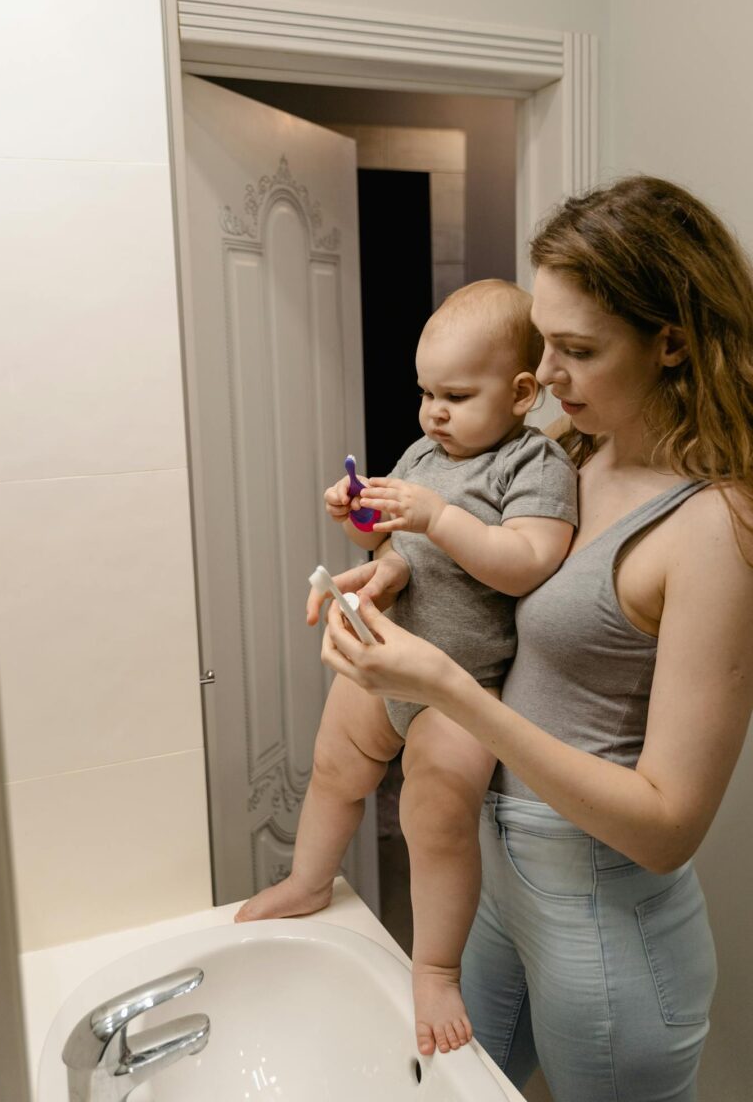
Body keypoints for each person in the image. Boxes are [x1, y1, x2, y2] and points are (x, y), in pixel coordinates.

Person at [316, 175, 753, 1102]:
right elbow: (484, 575)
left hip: (605, 933)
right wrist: (393, 569)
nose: (545, 376)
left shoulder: (716, 528)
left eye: (578, 349)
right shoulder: (570, 454)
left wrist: (451, 692)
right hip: (500, 898)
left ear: (671, 341)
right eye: (544, 342)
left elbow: (670, 827)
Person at [236, 279, 579, 1057]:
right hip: (388, 662)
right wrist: (359, 518)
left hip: (460, 691)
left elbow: (526, 562)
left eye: (456, 395)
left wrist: (436, 515)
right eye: (426, 393)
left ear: (523, 392)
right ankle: (310, 879)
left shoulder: (535, 464)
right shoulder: (426, 453)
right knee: (331, 770)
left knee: (435, 816)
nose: (434, 412)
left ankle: (434, 966)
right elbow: (395, 543)